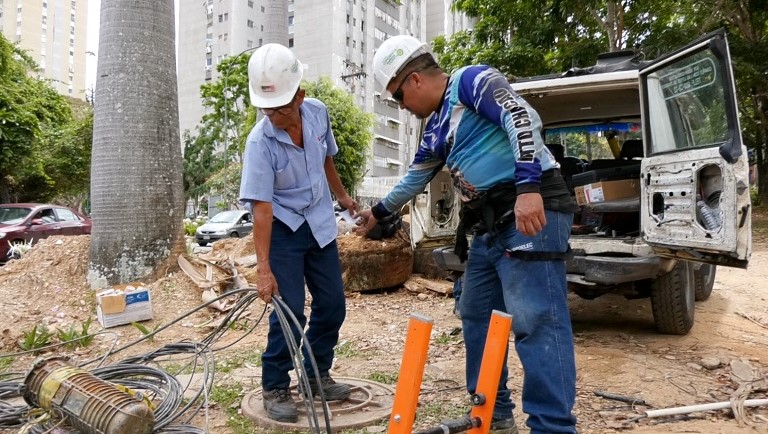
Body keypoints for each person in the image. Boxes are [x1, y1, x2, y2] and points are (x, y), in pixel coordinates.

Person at [356, 35, 578, 434]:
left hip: (529, 208)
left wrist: (529, 188)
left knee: (536, 320)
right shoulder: (437, 128)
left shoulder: (471, 82)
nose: (402, 109)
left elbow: (521, 118)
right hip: (489, 226)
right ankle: (491, 413)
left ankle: (553, 427)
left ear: (414, 81)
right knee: (476, 311)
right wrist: (376, 212)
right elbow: (415, 179)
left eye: (398, 97)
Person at [239, 43, 357, 423]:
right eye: (267, 108)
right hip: (284, 230)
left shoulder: (318, 113)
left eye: (282, 108)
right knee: (289, 313)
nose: (274, 115)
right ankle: (275, 384)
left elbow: (326, 159)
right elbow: (262, 208)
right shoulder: (260, 143)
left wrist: (342, 197)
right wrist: (263, 268)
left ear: (300, 96)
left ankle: (315, 374)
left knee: (333, 305)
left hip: (320, 224)